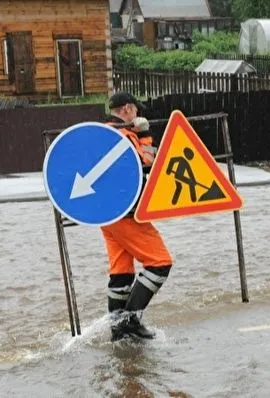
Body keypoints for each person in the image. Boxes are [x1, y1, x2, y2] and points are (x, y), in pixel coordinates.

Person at [102, 92, 173, 341]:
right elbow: (147, 165)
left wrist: (142, 135)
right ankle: (130, 321)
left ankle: (117, 332)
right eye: (137, 111)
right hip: (128, 214)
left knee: (121, 273)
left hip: (107, 214)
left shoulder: (104, 134)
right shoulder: (123, 135)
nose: (139, 115)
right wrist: (143, 135)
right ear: (128, 109)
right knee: (160, 263)